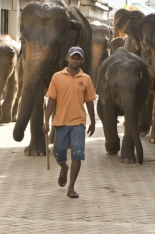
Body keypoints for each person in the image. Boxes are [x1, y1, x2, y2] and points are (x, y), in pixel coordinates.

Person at [43, 46, 96, 199]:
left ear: (82, 60)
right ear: (67, 58)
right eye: (73, 57)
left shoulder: (86, 79)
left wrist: (92, 122)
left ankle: (71, 187)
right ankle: (64, 167)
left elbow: (90, 102)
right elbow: (52, 99)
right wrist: (46, 121)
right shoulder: (57, 77)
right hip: (60, 122)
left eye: (78, 58)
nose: (75, 60)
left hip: (79, 122)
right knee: (58, 154)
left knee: (77, 155)